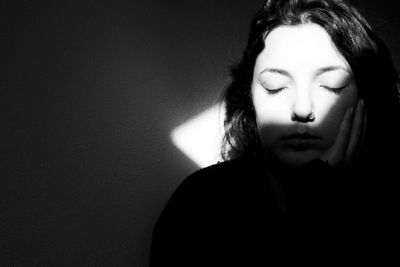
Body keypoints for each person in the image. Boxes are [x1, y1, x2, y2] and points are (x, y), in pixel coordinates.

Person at [150, 0, 400, 265]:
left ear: (366, 95)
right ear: (250, 98)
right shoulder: (198, 207)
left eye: (331, 85)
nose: (302, 108)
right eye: (275, 86)